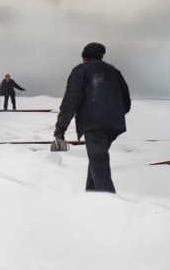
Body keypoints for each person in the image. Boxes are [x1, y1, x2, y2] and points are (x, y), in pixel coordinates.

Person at [54, 42, 131, 193]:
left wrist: (60, 128)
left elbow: (70, 101)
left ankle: (111, 203)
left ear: (84, 58)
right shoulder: (115, 72)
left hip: (93, 123)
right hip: (114, 125)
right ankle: (92, 198)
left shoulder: (80, 70)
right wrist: (113, 114)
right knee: (97, 160)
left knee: (98, 162)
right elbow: (126, 103)